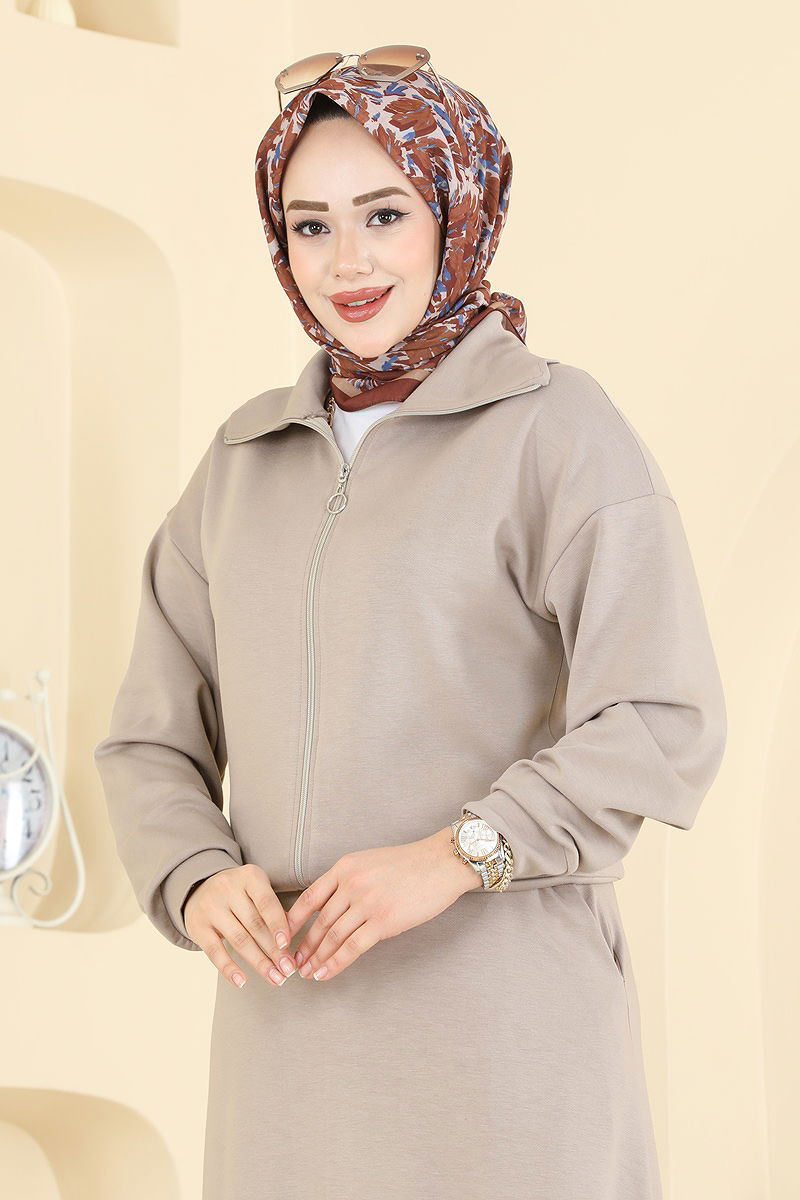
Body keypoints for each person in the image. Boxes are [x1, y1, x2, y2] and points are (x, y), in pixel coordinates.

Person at [94, 51, 727, 1200]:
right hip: (286, 1042)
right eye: (310, 224)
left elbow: (659, 715)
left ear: (456, 210)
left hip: (503, 1033)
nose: (346, 261)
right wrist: (193, 875)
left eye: (383, 214)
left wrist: (449, 859)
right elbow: (148, 737)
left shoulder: (556, 429)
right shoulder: (239, 464)